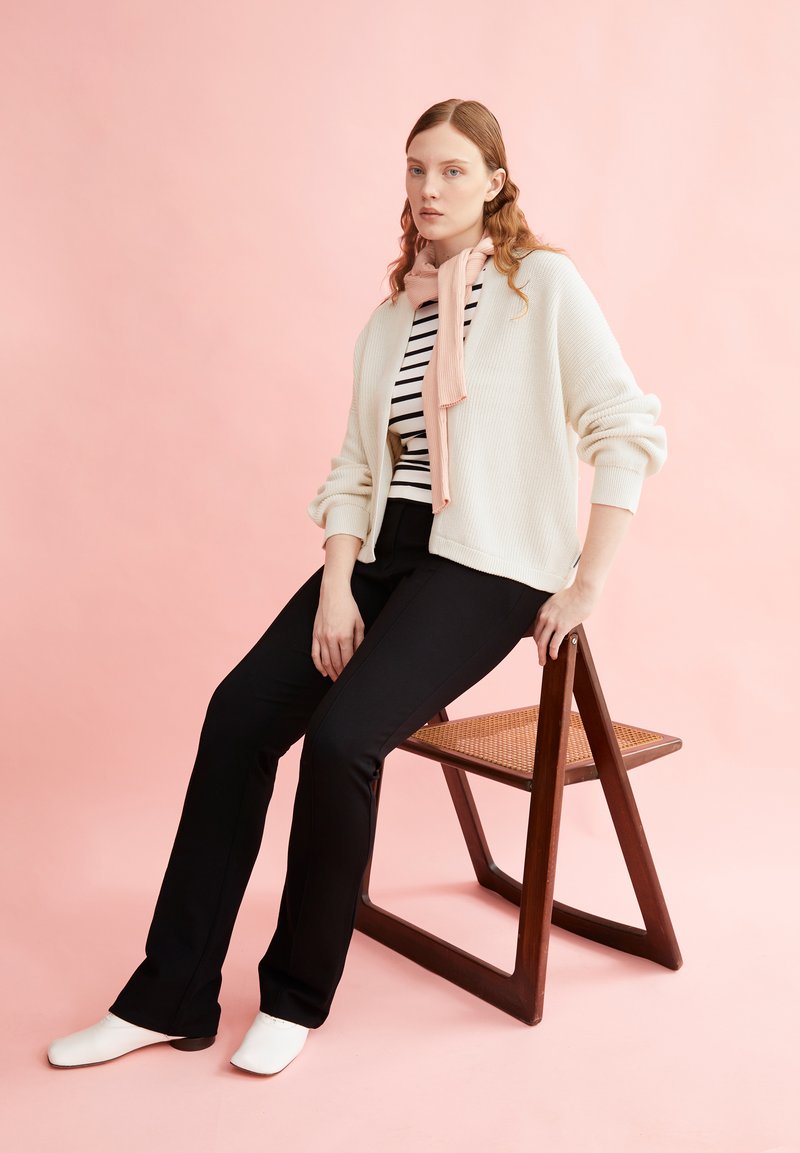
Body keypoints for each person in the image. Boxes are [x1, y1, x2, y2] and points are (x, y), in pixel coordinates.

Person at [47, 98, 666, 1076]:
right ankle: (168, 996)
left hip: (490, 563)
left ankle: (295, 995)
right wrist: (337, 582)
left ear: (496, 182)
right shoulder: (390, 320)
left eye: (452, 170)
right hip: (382, 554)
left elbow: (623, 424)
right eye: (416, 169)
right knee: (237, 716)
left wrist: (587, 580)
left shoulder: (539, 286)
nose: (429, 188)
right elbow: (353, 468)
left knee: (341, 741)